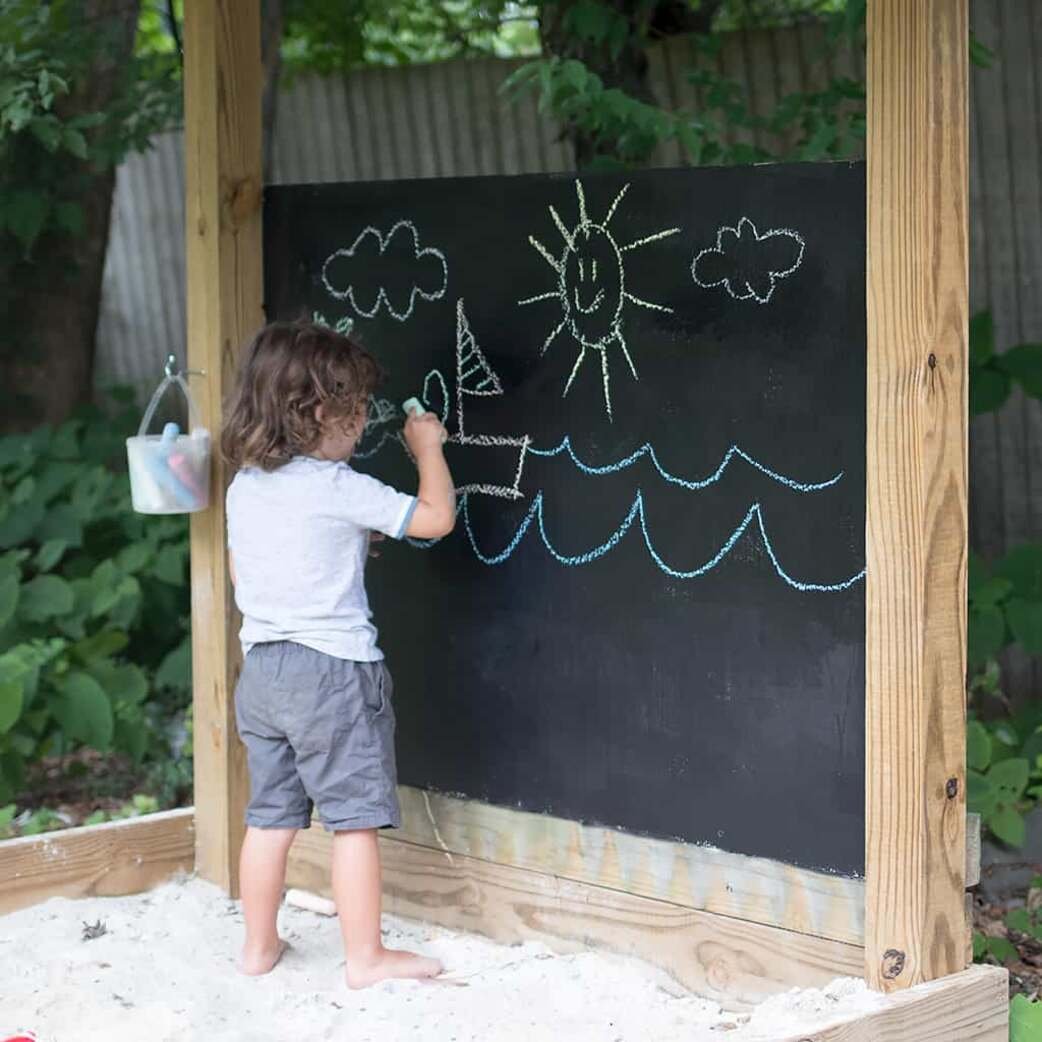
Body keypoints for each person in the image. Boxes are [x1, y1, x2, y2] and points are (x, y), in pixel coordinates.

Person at [220, 320, 455, 987]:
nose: (363, 424)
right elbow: (435, 518)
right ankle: (367, 958)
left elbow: (246, 575)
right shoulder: (337, 485)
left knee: (270, 817)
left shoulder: (245, 486)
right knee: (353, 822)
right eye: (357, 410)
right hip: (332, 672)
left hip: (264, 671)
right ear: (319, 412)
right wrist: (427, 449)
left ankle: (258, 948)